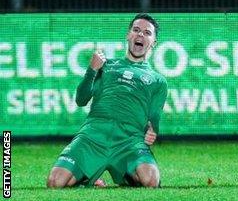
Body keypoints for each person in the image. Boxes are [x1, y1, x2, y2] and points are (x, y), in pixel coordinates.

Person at [47, 13, 168, 188]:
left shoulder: (158, 81)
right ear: (128, 35)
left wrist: (152, 129)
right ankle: (87, 177)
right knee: (54, 182)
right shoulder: (106, 66)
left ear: (153, 43)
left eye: (147, 33)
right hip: (93, 136)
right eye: (136, 30)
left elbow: (154, 117)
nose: (140, 35)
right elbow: (81, 100)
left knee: (151, 180)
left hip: (129, 140)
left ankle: (126, 174)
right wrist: (91, 70)